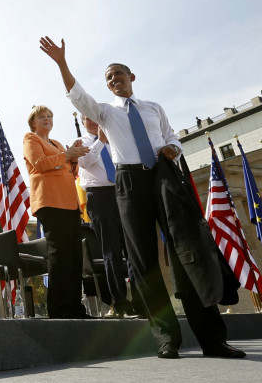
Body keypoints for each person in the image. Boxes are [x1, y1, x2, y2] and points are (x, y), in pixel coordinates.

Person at [39, 36, 245, 359]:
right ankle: (166, 337)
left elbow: (171, 135)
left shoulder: (153, 108)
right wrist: (62, 63)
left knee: (186, 251)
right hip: (129, 183)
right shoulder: (106, 113)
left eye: (118, 74)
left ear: (131, 77)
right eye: (108, 78)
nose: (114, 80)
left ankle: (212, 339)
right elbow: (78, 97)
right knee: (143, 261)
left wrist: (173, 148)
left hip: (163, 176)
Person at [23, 105, 90, 319]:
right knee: (60, 256)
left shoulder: (58, 144)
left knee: (74, 257)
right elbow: (40, 164)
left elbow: (71, 172)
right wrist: (66, 155)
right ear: (33, 122)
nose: (47, 119)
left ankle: (75, 308)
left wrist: (74, 159)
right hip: (50, 202)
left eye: (50, 116)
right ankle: (59, 310)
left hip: (70, 204)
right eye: (42, 116)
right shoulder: (31, 139)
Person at [74, 115, 134, 317]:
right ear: (83, 123)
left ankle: (142, 301)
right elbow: (84, 162)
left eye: (94, 117)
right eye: (86, 119)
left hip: (122, 193)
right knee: (111, 251)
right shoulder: (81, 142)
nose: (91, 121)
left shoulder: (115, 137)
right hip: (100, 197)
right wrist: (100, 141)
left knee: (133, 249)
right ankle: (120, 301)